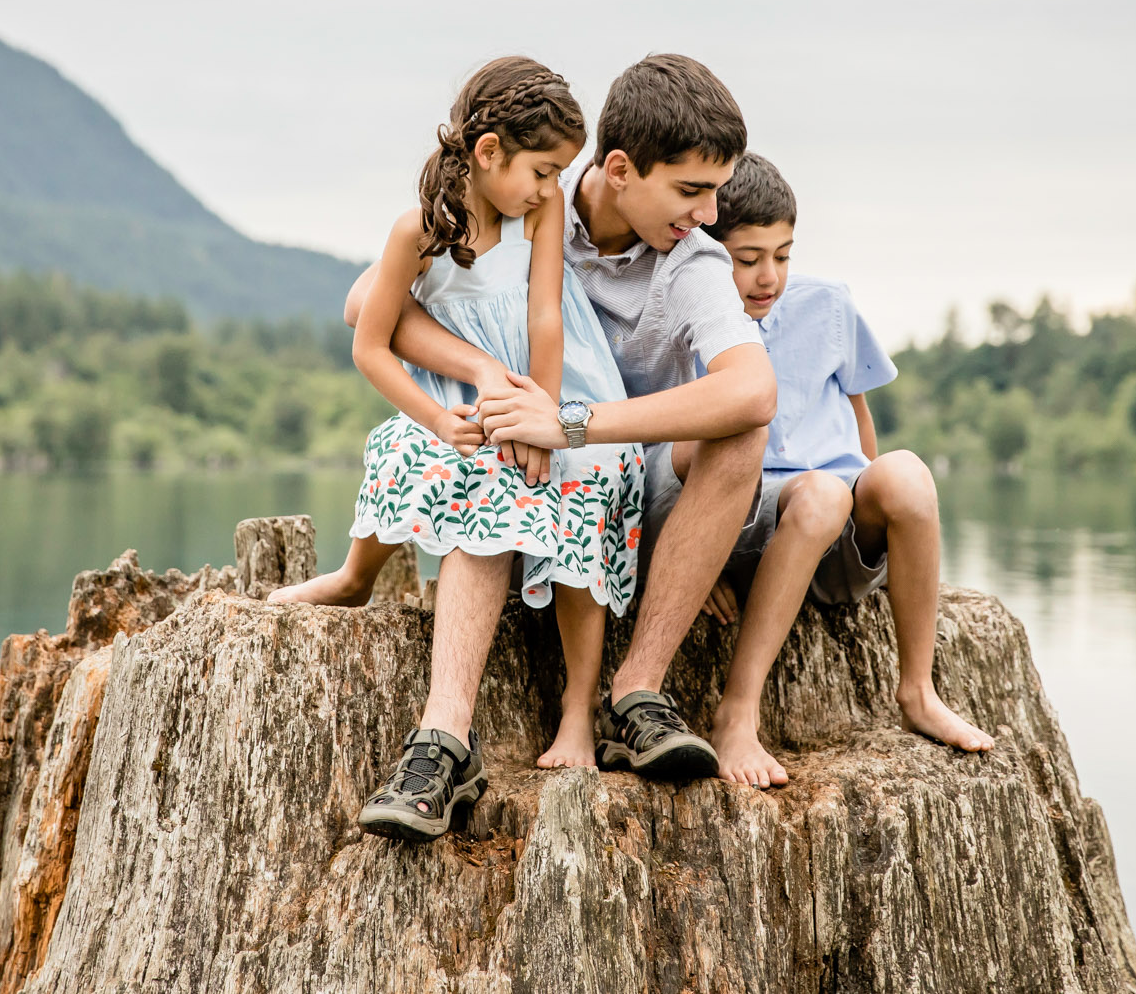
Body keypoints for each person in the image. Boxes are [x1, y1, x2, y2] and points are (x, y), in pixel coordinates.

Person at [350, 52, 777, 803]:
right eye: (691, 190)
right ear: (617, 168)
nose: (711, 214)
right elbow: (367, 308)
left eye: (715, 191)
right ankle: (443, 739)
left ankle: (636, 690)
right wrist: (489, 379)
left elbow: (753, 388)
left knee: (743, 430)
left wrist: (569, 423)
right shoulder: (527, 197)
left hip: (628, 480)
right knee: (498, 468)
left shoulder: (695, 260)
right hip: (525, 450)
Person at [270, 57, 643, 841]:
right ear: (488, 151)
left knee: (576, 478)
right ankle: (353, 576)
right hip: (453, 410)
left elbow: (546, 319)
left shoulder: (536, 220)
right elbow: (370, 347)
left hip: (543, 395)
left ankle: (578, 709)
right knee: (415, 453)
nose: (552, 191)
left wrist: (539, 412)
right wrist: (439, 419)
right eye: (542, 171)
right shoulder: (417, 231)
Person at [695, 152, 995, 789]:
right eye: (747, 259)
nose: (768, 276)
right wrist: (702, 562)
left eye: (783, 254)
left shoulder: (827, 304)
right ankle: (738, 715)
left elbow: (860, 424)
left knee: (905, 473)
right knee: (821, 495)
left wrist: (885, 513)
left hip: (833, 531)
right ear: (707, 250)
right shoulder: (687, 317)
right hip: (748, 523)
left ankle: (917, 691)